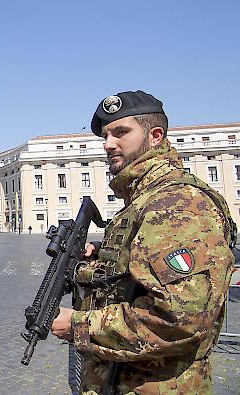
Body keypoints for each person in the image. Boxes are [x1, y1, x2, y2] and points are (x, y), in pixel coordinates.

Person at [50, 90, 237, 394]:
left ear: (155, 136)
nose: (109, 144)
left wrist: (78, 325)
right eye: (106, 136)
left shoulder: (177, 203)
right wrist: (100, 259)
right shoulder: (143, 200)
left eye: (121, 132)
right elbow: (138, 272)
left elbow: (179, 319)